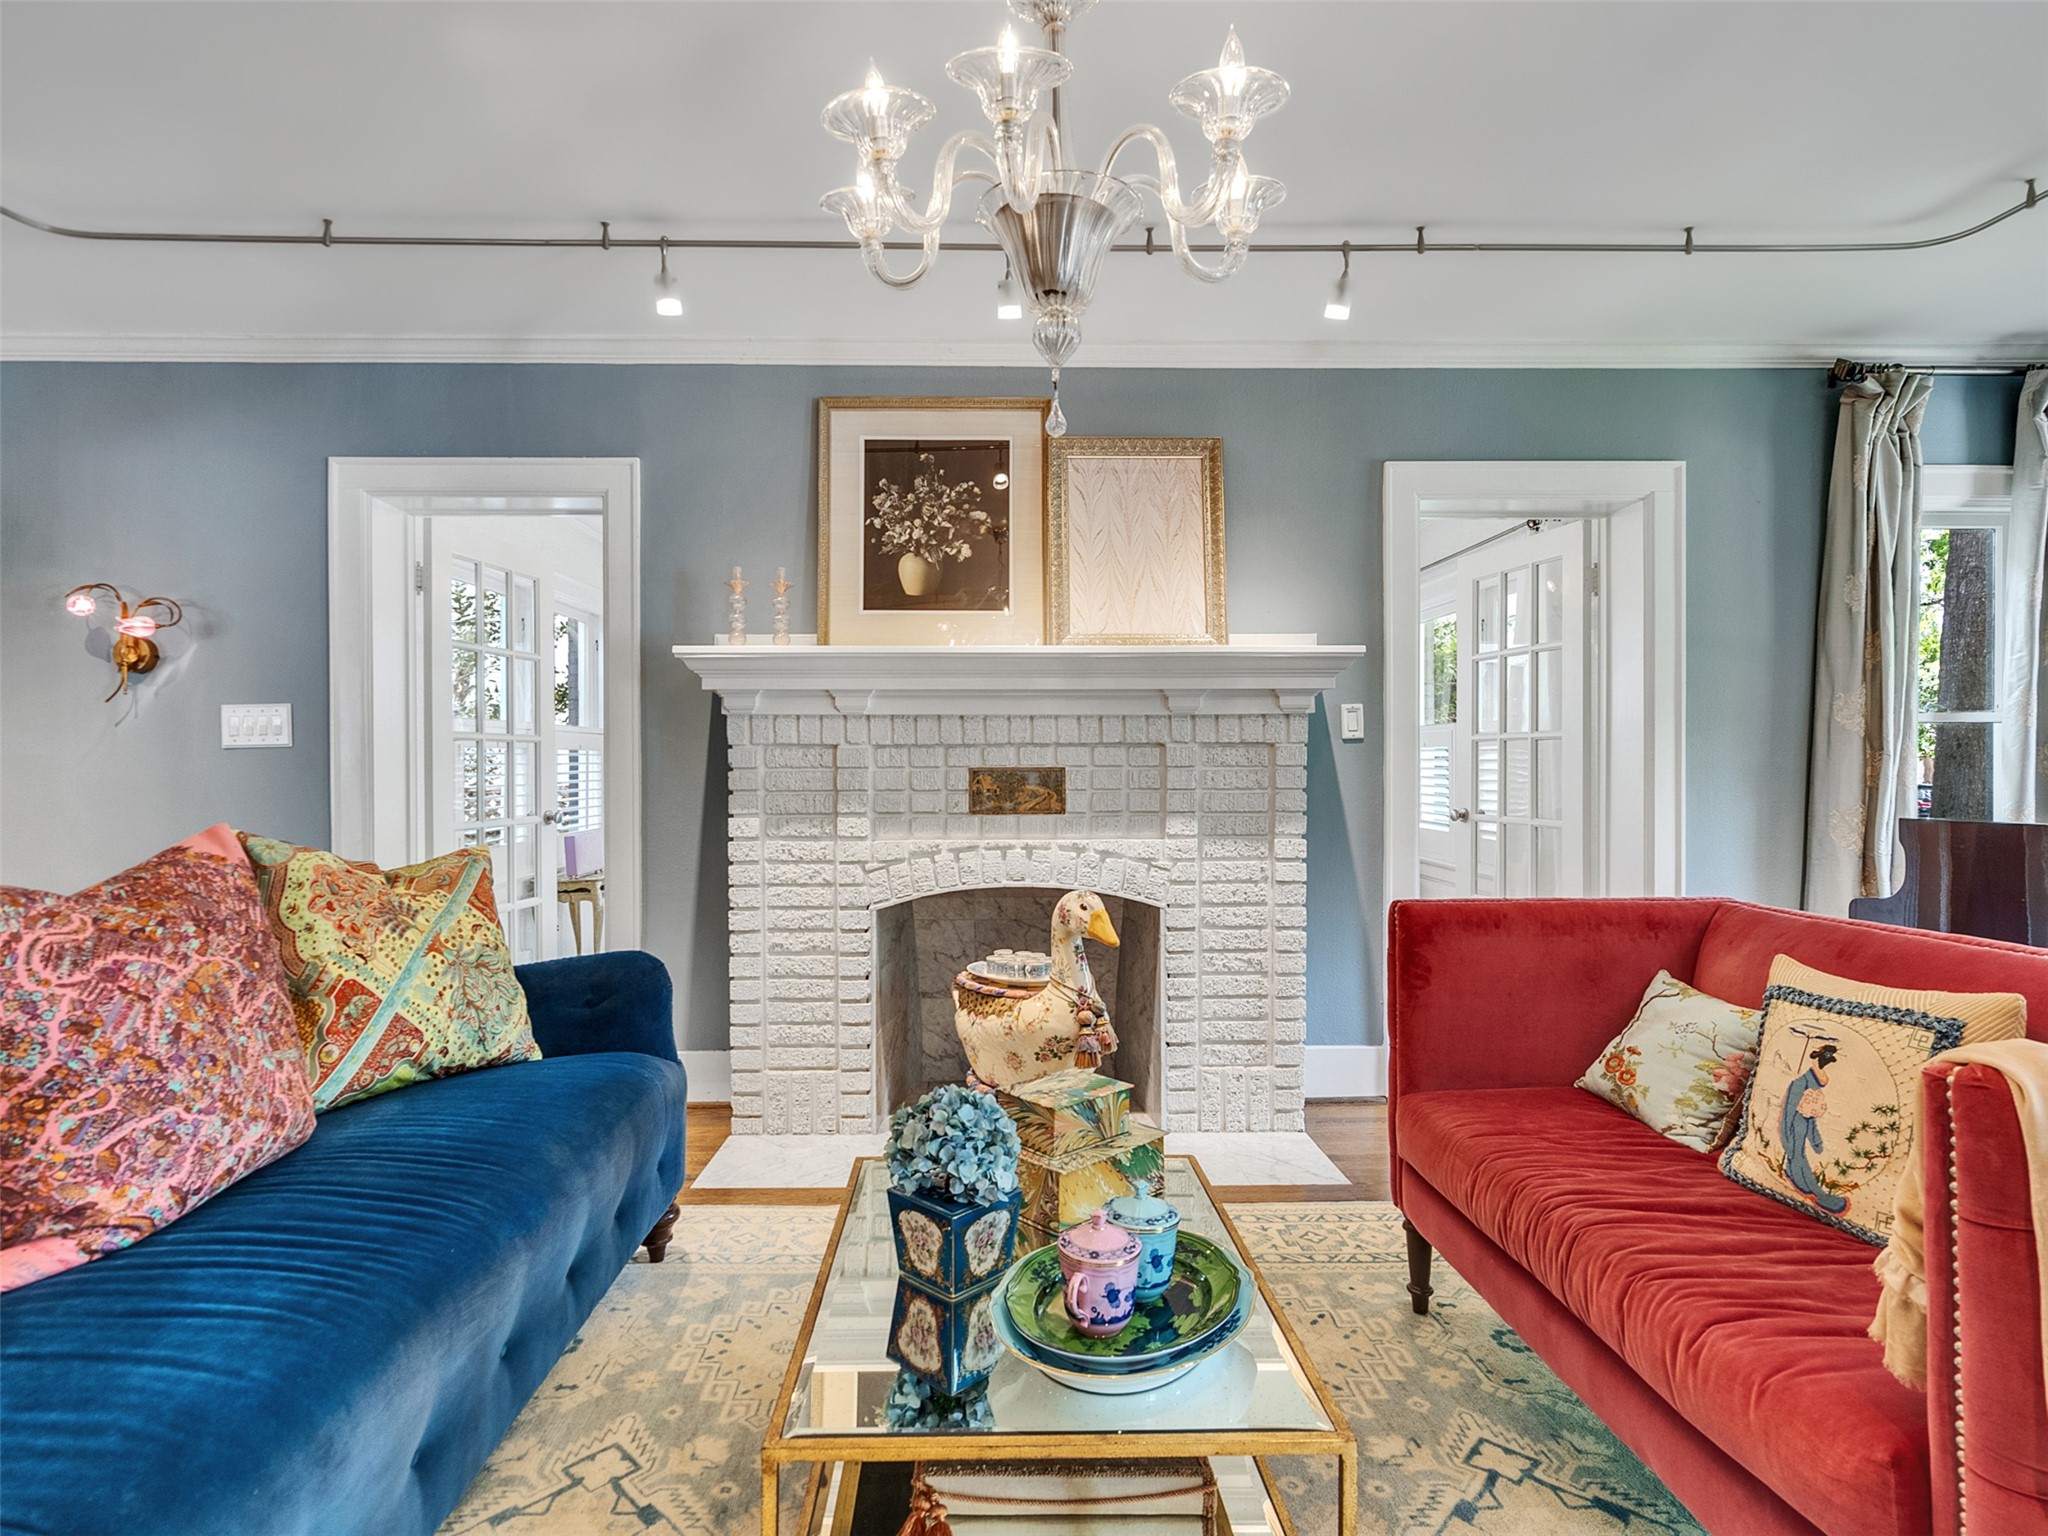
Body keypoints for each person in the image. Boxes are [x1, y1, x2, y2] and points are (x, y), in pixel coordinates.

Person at [1779, 1042, 1848, 1213]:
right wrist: (1786, 1135)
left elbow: (1810, 1118)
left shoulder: (1813, 1084)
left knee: (1799, 1153)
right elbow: (1788, 1113)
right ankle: (1815, 1191)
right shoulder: (1799, 1084)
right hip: (1794, 1124)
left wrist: (1815, 1138)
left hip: (1803, 1122)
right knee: (1797, 1153)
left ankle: (1802, 1181)